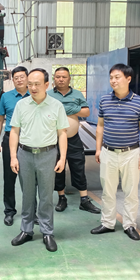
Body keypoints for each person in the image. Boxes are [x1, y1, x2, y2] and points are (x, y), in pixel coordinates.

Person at [9, 68, 69, 252]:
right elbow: (14, 131)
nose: (33, 88)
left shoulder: (56, 106)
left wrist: (62, 158)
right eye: (30, 84)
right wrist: (13, 156)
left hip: (47, 155)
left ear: (46, 85)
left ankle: (47, 232)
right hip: (25, 154)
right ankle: (26, 230)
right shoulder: (21, 105)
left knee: (46, 196)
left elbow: (62, 133)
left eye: (37, 84)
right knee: (27, 195)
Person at [92, 63, 140, 241]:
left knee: (130, 191)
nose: (113, 81)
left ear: (128, 79)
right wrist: (98, 149)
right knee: (108, 190)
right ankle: (107, 223)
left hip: (130, 153)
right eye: (111, 78)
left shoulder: (139, 102)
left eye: (117, 77)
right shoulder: (104, 100)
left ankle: (129, 225)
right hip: (108, 152)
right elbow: (100, 126)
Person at [48, 67, 101, 214]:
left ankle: (84, 200)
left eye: (64, 77)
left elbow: (86, 111)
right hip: (54, 140)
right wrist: (72, 108)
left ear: (69, 79)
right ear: (54, 78)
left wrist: (69, 108)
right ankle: (61, 198)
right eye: (58, 77)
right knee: (57, 169)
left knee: (78, 167)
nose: (61, 79)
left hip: (74, 139)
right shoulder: (48, 95)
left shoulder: (77, 94)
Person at [0, 66, 30, 226]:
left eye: (22, 77)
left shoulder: (35, 95)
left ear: (27, 78)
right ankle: (9, 211)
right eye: (16, 78)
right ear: (12, 80)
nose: (19, 80)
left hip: (30, 140)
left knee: (30, 179)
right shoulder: (6, 97)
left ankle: (31, 212)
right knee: (9, 178)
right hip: (10, 139)